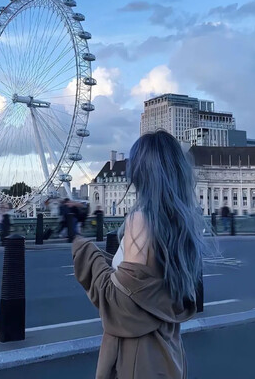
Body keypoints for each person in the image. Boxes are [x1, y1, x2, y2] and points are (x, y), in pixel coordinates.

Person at [72, 130, 206, 379]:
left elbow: (121, 305)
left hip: (138, 360)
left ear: (142, 174)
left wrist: (83, 250)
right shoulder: (180, 225)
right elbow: (150, 291)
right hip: (168, 353)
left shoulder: (141, 221)